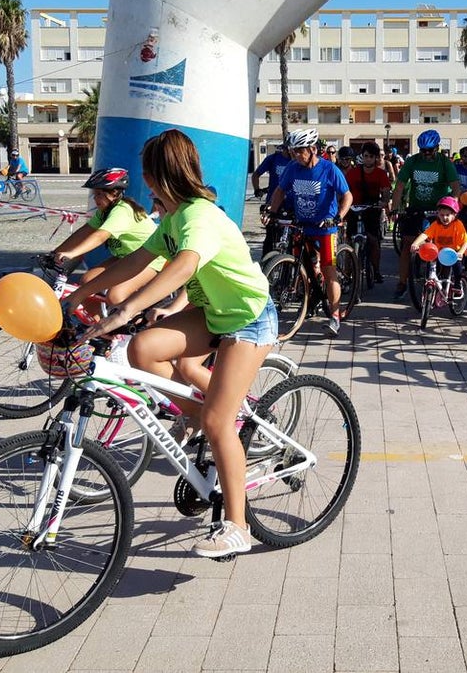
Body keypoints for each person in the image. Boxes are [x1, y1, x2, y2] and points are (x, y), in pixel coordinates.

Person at [67, 129, 278, 559]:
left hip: (249, 320)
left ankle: (237, 526)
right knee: (142, 350)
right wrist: (73, 296)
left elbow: (183, 266)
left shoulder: (200, 217)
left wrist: (125, 311)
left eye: (148, 174)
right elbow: (134, 262)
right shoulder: (175, 218)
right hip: (213, 312)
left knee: (221, 423)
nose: (144, 183)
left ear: (162, 175)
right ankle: (199, 418)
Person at [264, 128, 353, 336]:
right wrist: (271, 211)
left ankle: (334, 316)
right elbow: (280, 191)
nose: (296, 155)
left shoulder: (329, 169)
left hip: (325, 228)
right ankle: (309, 295)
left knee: (329, 271)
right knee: (305, 264)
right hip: (302, 225)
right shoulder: (293, 168)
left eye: (300, 151)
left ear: (313, 149)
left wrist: (338, 216)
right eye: (293, 151)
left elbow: (347, 196)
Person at [49, 168, 161, 304]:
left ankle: (137, 322)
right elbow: (84, 232)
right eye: (94, 194)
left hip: (151, 258)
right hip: (126, 257)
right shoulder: (103, 212)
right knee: (87, 282)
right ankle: (95, 323)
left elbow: (100, 236)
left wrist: (72, 254)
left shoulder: (122, 210)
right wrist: (54, 253)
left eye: (99, 194)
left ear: (114, 194)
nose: (95, 198)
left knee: (115, 296)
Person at [389, 130, 460, 299]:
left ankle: (443, 280)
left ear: (437, 148)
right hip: (416, 208)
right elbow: (399, 186)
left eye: (430, 150)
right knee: (408, 244)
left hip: (440, 209)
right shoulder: (413, 162)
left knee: (442, 245)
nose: (426, 154)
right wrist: (395, 208)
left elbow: (456, 187)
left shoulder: (444, 163)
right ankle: (402, 283)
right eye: (423, 150)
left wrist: (453, 208)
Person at [343, 141, 391, 283]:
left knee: (374, 240)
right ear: (362, 157)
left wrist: (384, 202)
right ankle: (348, 274)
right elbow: (344, 191)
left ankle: (376, 270)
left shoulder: (380, 174)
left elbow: (386, 191)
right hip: (354, 209)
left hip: (372, 209)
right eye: (365, 156)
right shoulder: (353, 173)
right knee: (349, 242)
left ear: (376, 158)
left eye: (371, 156)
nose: (368, 159)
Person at [410, 196, 467, 296]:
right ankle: (431, 283)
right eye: (442, 215)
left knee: (457, 266)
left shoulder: (458, 225)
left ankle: (458, 284)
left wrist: (460, 253)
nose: (444, 218)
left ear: (454, 215)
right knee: (431, 265)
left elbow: (466, 241)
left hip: (454, 252)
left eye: (448, 215)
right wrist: (415, 243)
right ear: (438, 214)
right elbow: (425, 235)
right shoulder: (436, 225)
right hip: (439, 251)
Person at [252, 143, 292, 257]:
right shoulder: (273, 159)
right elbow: (256, 175)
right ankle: (266, 263)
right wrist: (257, 189)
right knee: (270, 235)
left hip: (290, 204)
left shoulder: (295, 162)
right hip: (273, 202)